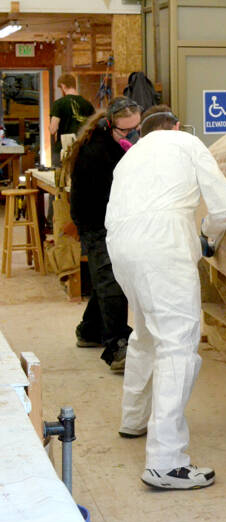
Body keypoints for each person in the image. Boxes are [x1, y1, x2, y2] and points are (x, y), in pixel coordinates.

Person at [105, 105, 226, 490]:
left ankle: (133, 418)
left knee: (145, 333)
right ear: (177, 126)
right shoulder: (187, 142)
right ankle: (166, 463)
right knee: (177, 346)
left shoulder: (130, 158)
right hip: (163, 247)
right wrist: (209, 237)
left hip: (122, 247)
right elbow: (224, 204)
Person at [64, 97, 140, 371]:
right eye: (125, 130)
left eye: (136, 128)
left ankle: (89, 331)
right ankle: (117, 344)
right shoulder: (97, 151)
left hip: (110, 219)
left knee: (103, 277)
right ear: (109, 125)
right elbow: (104, 197)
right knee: (111, 280)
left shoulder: (116, 144)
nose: (132, 134)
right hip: (95, 221)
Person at [50, 73, 95, 165]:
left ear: (63, 86)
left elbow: (53, 130)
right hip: (83, 149)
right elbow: (93, 127)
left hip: (64, 150)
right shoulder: (87, 104)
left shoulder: (59, 104)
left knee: (61, 177)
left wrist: (50, 127)